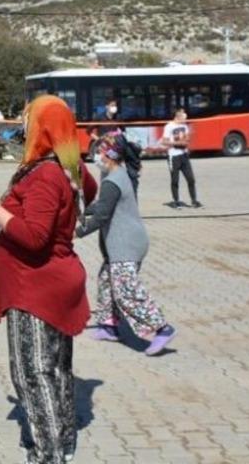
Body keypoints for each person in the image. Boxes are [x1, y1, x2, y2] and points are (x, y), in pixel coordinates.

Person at [0, 95, 98, 464]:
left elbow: (34, 236)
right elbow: (87, 192)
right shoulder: (68, 167)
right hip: (54, 281)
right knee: (57, 370)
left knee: (34, 374)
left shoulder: (46, 173)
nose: (24, 125)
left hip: (35, 287)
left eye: (29, 119)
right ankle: (64, 442)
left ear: (43, 128)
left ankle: (49, 455)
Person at [78, 133, 175, 356]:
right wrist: (82, 210)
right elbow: (102, 205)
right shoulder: (113, 173)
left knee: (126, 291)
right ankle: (110, 326)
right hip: (122, 243)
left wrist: (76, 232)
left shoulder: (113, 180)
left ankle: (162, 328)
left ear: (110, 155)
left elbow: (102, 215)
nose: (95, 156)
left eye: (98, 152)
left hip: (127, 245)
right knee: (106, 280)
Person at [161, 108, 200, 209]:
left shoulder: (184, 125)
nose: (185, 115)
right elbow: (164, 142)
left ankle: (194, 201)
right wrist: (177, 143)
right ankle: (176, 201)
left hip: (184, 155)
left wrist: (186, 140)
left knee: (191, 179)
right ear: (177, 115)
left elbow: (187, 138)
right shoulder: (169, 126)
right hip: (173, 156)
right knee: (175, 180)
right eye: (183, 113)